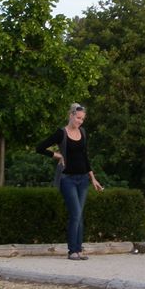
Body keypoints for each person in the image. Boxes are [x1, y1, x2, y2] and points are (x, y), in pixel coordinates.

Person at [36, 103, 104, 261]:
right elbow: (40, 148)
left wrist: (92, 178)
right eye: (78, 118)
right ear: (71, 115)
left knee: (80, 215)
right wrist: (57, 155)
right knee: (76, 214)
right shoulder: (61, 133)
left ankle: (78, 250)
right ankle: (72, 251)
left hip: (83, 179)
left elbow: (85, 157)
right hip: (67, 179)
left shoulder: (83, 132)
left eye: (82, 119)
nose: (80, 121)